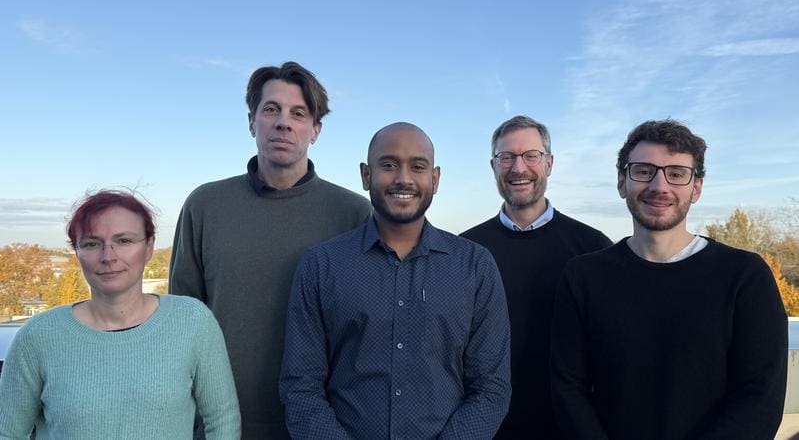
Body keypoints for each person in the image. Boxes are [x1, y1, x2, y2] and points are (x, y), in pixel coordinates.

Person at [170, 61, 372, 439]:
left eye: (299, 113)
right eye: (271, 110)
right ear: (251, 122)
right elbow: (181, 321)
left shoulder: (353, 214)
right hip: (221, 425)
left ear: (316, 130)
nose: (283, 122)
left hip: (325, 426)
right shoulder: (205, 205)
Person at [550, 119, 788, 439]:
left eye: (676, 174)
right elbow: (568, 388)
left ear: (697, 188)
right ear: (622, 182)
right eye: (644, 171)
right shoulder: (583, 276)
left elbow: (759, 398)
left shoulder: (745, 276)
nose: (660, 187)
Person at [280, 122, 511, 440]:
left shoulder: (475, 266)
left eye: (417, 166)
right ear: (366, 175)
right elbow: (300, 386)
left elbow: (492, 388)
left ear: (435, 178)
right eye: (388, 165)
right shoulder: (321, 265)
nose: (403, 178)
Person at [0, 190, 240, 439]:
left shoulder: (192, 322)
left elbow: (222, 420)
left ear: (149, 247)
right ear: (77, 252)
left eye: (124, 241)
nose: (108, 256)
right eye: (92, 244)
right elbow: (7, 431)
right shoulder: (39, 336)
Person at [461, 115, 611, 439]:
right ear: (493, 165)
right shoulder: (465, 251)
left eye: (531, 156)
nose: (519, 169)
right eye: (507, 157)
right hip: (486, 430)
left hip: (570, 428)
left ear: (550, 163)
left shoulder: (593, 248)